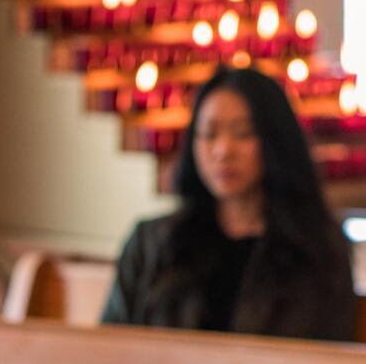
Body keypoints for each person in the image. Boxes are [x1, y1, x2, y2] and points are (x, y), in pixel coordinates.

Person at [102, 66, 356, 340]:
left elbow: (329, 360)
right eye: (209, 134)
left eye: (243, 133)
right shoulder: (151, 242)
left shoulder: (319, 247)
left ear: (274, 140)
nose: (224, 150)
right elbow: (111, 349)